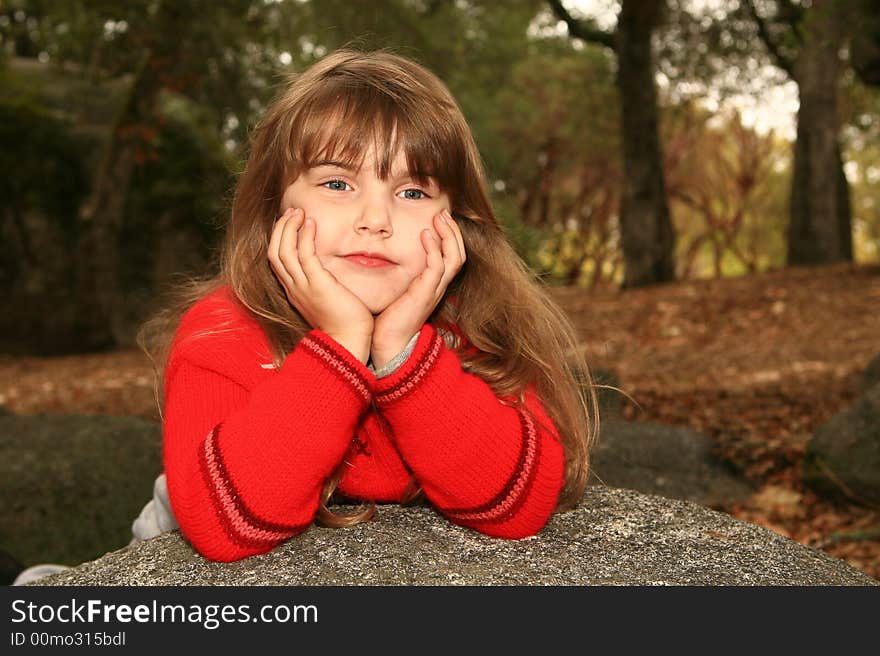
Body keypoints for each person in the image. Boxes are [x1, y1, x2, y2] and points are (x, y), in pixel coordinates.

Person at [20, 48, 598, 576]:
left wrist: (400, 348)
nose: (377, 218)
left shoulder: (476, 330)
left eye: (413, 192)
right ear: (277, 209)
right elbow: (226, 531)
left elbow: (518, 507)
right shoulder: (224, 330)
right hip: (191, 525)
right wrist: (342, 343)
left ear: (458, 224)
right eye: (337, 183)